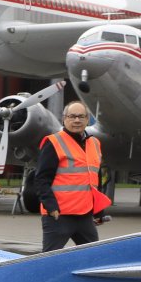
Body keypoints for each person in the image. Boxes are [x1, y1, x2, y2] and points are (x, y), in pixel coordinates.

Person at [35, 101, 105, 251]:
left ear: (87, 119)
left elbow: (94, 180)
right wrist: (51, 207)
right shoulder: (54, 142)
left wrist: (98, 210)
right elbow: (41, 179)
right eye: (72, 116)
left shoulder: (95, 143)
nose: (77, 120)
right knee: (50, 259)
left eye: (81, 116)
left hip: (85, 215)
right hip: (59, 215)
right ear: (64, 119)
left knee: (93, 256)